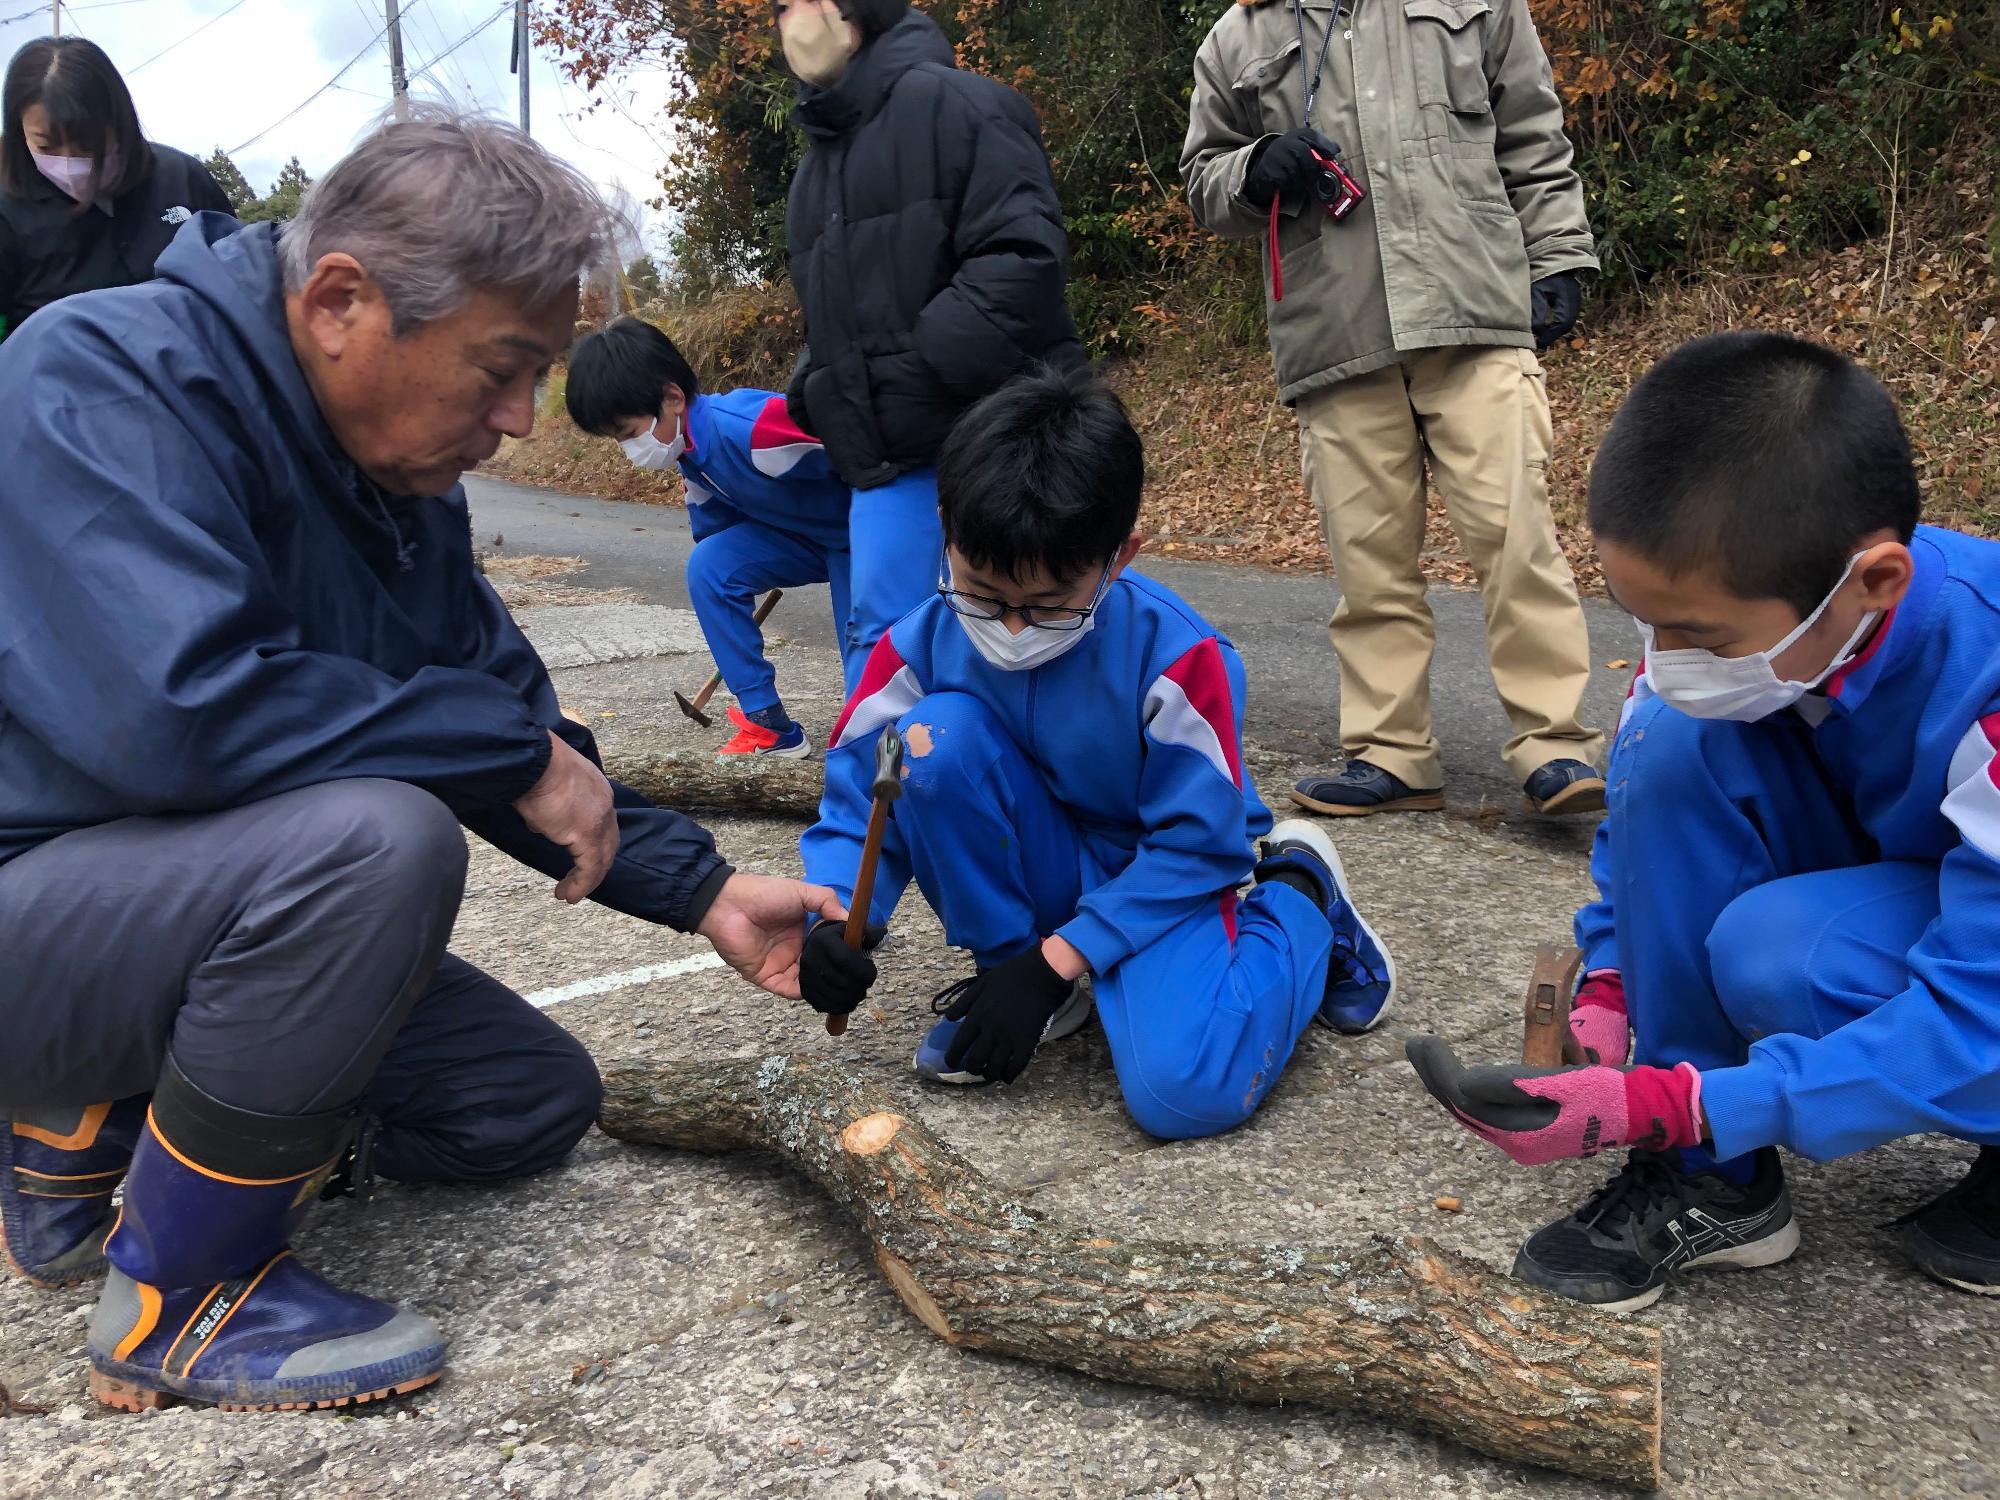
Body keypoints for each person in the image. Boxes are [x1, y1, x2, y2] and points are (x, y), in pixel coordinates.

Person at [0, 108, 848, 1414]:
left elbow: (514, 713)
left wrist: (705, 892)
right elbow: (182, 715)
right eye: (499, 369)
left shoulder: (403, 491)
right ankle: (182, 1290)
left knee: (523, 1100)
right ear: (342, 302)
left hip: (182, 917)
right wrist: (500, 748)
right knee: (380, 842)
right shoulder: (97, 381)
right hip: (39, 898)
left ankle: (109, 1105)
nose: (517, 421)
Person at [1407, 332, 2000, 1310]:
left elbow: (1977, 1016)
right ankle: (1718, 1184)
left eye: (1698, 635)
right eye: (1646, 622)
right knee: (1665, 742)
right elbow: (1645, 825)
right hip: (1937, 886)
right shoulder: (1758, 616)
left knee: (1785, 961)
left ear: (1874, 582)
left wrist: (1679, 1104)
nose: (1664, 656)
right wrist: (1604, 987)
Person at [794, 365, 1396, 1139]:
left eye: (1047, 604)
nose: (1010, 628)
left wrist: (1062, 958)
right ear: (945, 529)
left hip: (1153, 875)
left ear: (1120, 555)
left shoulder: (1179, 659)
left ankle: (1300, 897)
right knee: (929, 740)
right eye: (980, 592)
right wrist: (838, 916)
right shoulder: (912, 647)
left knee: (1188, 1096)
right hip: (1044, 861)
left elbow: (1198, 846)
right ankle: (1010, 966)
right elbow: (858, 803)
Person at [1181, 0, 1606, 818]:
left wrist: (1557, 255)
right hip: (1333, 331)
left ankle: (1554, 745)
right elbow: (1204, 177)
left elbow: (1532, 131)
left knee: (1517, 536)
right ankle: (1391, 752)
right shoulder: (1236, 37)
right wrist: (1254, 167)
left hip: (1475, 310)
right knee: (1368, 565)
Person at [775, 0, 1083, 668]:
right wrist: (818, 387)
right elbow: (835, 312)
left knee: (1026, 636)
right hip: (886, 460)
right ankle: (879, 777)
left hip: (1002, 444)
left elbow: (1022, 257)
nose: (789, 20)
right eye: (777, 6)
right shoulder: (814, 172)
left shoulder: (964, 107)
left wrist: (918, 367)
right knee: (885, 645)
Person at [567, 317, 854, 757]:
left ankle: (885, 735)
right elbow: (720, 535)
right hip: (806, 539)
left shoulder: (752, 427)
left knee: (865, 650)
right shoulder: (690, 457)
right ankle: (768, 724)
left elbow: (867, 453)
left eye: (628, 433)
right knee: (711, 569)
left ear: (673, 397)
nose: (629, 449)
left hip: (865, 536)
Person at [0, 36, 232, 339]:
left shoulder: (181, 177)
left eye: (88, 143)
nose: (70, 161)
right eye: (46, 145)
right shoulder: (8, 212)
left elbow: (239, 283)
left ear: (118, 121)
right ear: (20, 134)